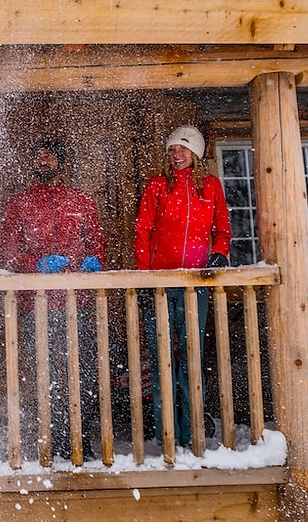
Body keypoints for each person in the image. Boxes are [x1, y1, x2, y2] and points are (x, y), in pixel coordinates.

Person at [0, 139, 107, 461]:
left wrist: (94, 261)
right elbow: (8, 253)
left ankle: (81, 436)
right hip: (37, 305)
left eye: (48, 156)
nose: (42, 161)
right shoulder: (19, 204)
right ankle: (57, 438)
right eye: (37, 156)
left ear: (61, 162)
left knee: (85, 371)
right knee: (47, 375)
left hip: (79, 301)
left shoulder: (82, 201)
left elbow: (97, 245)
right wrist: (36, 265)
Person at [133, 125, 231, 448]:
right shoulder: (158, 185)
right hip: (160, 285)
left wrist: (219, 253)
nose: (176, 156)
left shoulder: (210, 187)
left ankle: (192, 432)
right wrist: (146, 278)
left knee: (192, 358)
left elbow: (222, 229)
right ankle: (168, 434)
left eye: (183, 150)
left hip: (194, 286)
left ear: (197, 154)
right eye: (172, 150)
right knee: (163, 361)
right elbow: (143, 231)